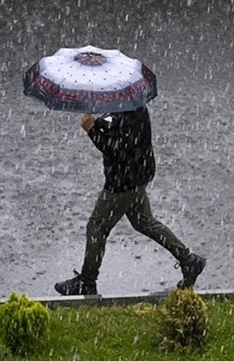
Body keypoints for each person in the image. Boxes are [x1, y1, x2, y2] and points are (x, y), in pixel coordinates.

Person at [54, 105, 206, 296]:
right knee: (143, 221)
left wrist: (92, 130)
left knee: (97, 227)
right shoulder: (131, 105)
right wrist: (98, 123)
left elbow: (117, 150)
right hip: (136, 175)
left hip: (123, 182)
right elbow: (115, 126)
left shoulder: (128, 111)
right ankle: (189, 261)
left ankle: (87, 281)